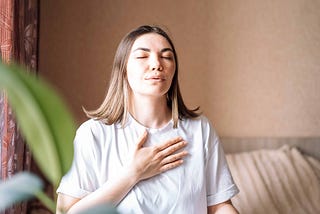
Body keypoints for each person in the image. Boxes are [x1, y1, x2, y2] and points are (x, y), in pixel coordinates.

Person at [56, 25, 239, 214]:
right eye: (143, 56)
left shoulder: (200, 129)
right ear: (123, 69)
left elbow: (219, 206)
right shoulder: (93, 134)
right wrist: (133, 173)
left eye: (167, 57)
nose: (157, 64)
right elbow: (65, 211)